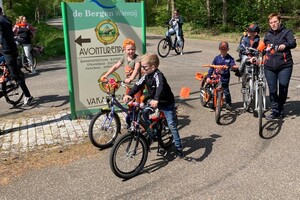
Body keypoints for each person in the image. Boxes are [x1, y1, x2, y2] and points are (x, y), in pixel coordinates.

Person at [123, 53, 184, 158]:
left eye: (145, 67)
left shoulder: (158, 75)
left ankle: (179, 148)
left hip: (166, 103)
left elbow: (160, 86)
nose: (142, 69)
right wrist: (129, 94)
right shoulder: (146, 76)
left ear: (153, 67)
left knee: (172, 125)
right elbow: (137, 85)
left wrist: (156, 99)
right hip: (154, 101)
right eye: (142, 66)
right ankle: (152, 132)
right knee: (144, 114)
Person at [263, 13, 297, 120]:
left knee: (283, 87)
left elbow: (293, 43)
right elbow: (263, 48)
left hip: (284, 65)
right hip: (269, 67)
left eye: (275, 22)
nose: (273, 24)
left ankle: (281, 106)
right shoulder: (267, 35)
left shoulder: (287, 32)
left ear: (279, 21)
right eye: (271, 22)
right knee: (272, 90)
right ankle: (275, 110)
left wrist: (285, 45)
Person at [0, 7, 33, 106]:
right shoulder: (5, 20)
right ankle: (4, 78)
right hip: (7, 50)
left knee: (15, 76)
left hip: (8, 51)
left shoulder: (2, 21)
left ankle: (28, 95)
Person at [101, 38, 142, 102]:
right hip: (128, 85)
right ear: (124, 50)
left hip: (137, 85)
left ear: (135, 49)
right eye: (128, 49)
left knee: (137, 104)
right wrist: (106, 75)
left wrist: (131, 78)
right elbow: (116, 66)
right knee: (128, 102)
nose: (131, 51)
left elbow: (136, 69)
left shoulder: (137, 58)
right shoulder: (124, 57)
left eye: (132, 49)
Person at [206, 41, 238, 110]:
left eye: (225, 49)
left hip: (225, 78)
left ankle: (228, 103)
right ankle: (211, 98)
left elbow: (233, 65)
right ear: (219, 49)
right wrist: (209, 76)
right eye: (221, 49)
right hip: (216, 77)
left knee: (226, 91)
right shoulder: (216, 58)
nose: (223, 50)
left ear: (228, 49)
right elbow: (212, 67)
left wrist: (233, 66)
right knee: (212, 87)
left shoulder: (230, 58)